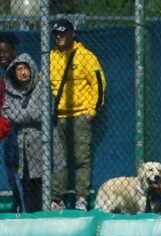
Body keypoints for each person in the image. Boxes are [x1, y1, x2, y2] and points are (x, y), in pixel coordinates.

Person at [50, 18, 106, 211]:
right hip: (59, 118)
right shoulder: (51, 58)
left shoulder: (86, 56)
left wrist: (90, 112)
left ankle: (81, 199)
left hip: (80, 116)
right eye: (56, 33)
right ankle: (57, 199)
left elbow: (99, 85)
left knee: (82, 160)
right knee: (58, 160)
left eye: (63, 33)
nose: (59, 36)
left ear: (72, 33)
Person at [1, 54, 66, 212]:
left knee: (45, 188)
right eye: (19, 69)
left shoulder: (42, 87)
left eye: (26, 68)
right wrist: (25, 113)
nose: (23, 72)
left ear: (32, 69)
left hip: (41, 148)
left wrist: (20, 113)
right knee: (28, 191)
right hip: (22, 151)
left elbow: (39, 113)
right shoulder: (11, 90)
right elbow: (6, 111)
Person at [0, 33, 23, 212]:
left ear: (13, 52)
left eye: (5, 51)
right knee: (11, 169)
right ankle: (17, 203)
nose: (2, 55)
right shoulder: (5, 74)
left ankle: (23, 208)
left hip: (17, 130)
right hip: (8, 132)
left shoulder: (17, 72)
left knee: (18, 171)